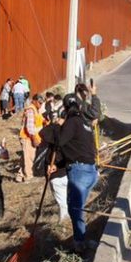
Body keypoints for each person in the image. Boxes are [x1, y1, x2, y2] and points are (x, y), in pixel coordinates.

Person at [47, 93, 99, 253]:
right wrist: (58, 164)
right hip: (91, 171)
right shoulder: (85, 123)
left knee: (75, 209)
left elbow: (60, 141)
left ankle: (79, 244)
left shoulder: (72, 122)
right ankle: (81, 239)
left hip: (79, 172)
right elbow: (77, 148)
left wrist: (56, 126)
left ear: (66, 107)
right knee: (76, 208)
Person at [37, 113, 70, 223]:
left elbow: (43, 132)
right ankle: (67, 221)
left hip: (59, 175)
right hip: (65, 172)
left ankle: (64, 222)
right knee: (66, 200)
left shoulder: (58, 133)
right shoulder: (69, 134)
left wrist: (56, 124)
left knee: (62, 203)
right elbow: (42, 133)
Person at [18, 94, 45, 183]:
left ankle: (20, 176)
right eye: (39, 103)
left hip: (30, 137)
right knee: (29, 157)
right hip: (28, 138)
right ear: (34, 100)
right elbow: (29, 127)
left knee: (25, 157)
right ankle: (28, 177)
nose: (40, 105)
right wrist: (34, 139)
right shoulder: (31, 110)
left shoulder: (36, 110)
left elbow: (39, 122)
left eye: (41, 103)